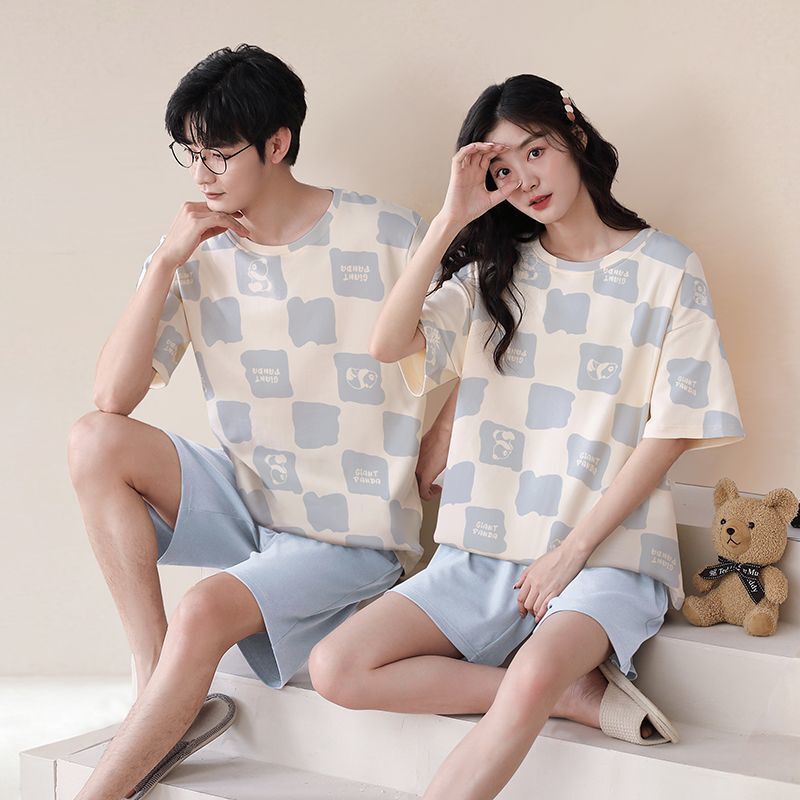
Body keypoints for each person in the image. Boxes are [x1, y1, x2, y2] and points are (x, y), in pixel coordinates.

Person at [309, 74, 744, 799]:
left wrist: (569, 553)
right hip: (483, 548)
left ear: (575, 135)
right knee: (336, 668)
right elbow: (387, 344)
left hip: (605, 552)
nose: (525, 179)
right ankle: (570, 697)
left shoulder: (666, 269)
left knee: (536, 668)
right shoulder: (496, 274)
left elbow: (671, 433)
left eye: (535, 151)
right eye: (502, 169)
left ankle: (543, 685)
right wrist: (451, 217)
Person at [66, 44, 433, 800]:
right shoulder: (195, 253)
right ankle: (155, 683)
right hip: (249, 497)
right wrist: (164, 265)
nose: (202, 176)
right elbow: (111, 398)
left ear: (277, 143)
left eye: (219, 155)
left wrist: (445, 448)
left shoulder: (388, 235)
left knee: (205, 607)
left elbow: (484, 346)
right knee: (93, 441)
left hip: (351, 532)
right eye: (191, 154)